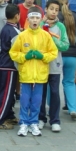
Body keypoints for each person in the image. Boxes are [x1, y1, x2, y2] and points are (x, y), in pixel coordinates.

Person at [9, 7, 58, 137]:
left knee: (37, 100)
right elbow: (13, 53)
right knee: (25, 99)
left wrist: (43, 57)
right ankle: (24, 122)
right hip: (26, 74)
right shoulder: (22, 35)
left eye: (37, 18)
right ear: (28, 19)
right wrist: (24, 57)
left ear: (41, 19)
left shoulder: (46, 35)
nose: (34, 20)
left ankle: (34, 122)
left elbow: (53, 52)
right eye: (32, 17)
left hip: (40, 73)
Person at [38, 0, 69, 131]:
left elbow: (65, 45)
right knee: (41, 92)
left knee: (55, 92)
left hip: (55, 65)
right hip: (41, 64)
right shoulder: (39, 24)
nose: (54, 12)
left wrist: (52, 39)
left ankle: (55, 120)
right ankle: (40, 118)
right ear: (46, 9)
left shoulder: (61, 26)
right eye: (51, 9)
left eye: (56, 10)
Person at [0, 4, 20, 129]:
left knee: (7, 92)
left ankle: (9, 115)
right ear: (16, 16)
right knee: (6, 94)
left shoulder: (7, 28)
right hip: (9, 66)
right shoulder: (13, 31)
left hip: (4, 64)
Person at [56, 0, 76, 115]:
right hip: (72, 55)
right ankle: (73, 109)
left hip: (58, 54)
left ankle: (52, 107)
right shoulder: (75, 16)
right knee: (70, 82)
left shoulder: (55, 18)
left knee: (52, 82)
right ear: (68, 3)